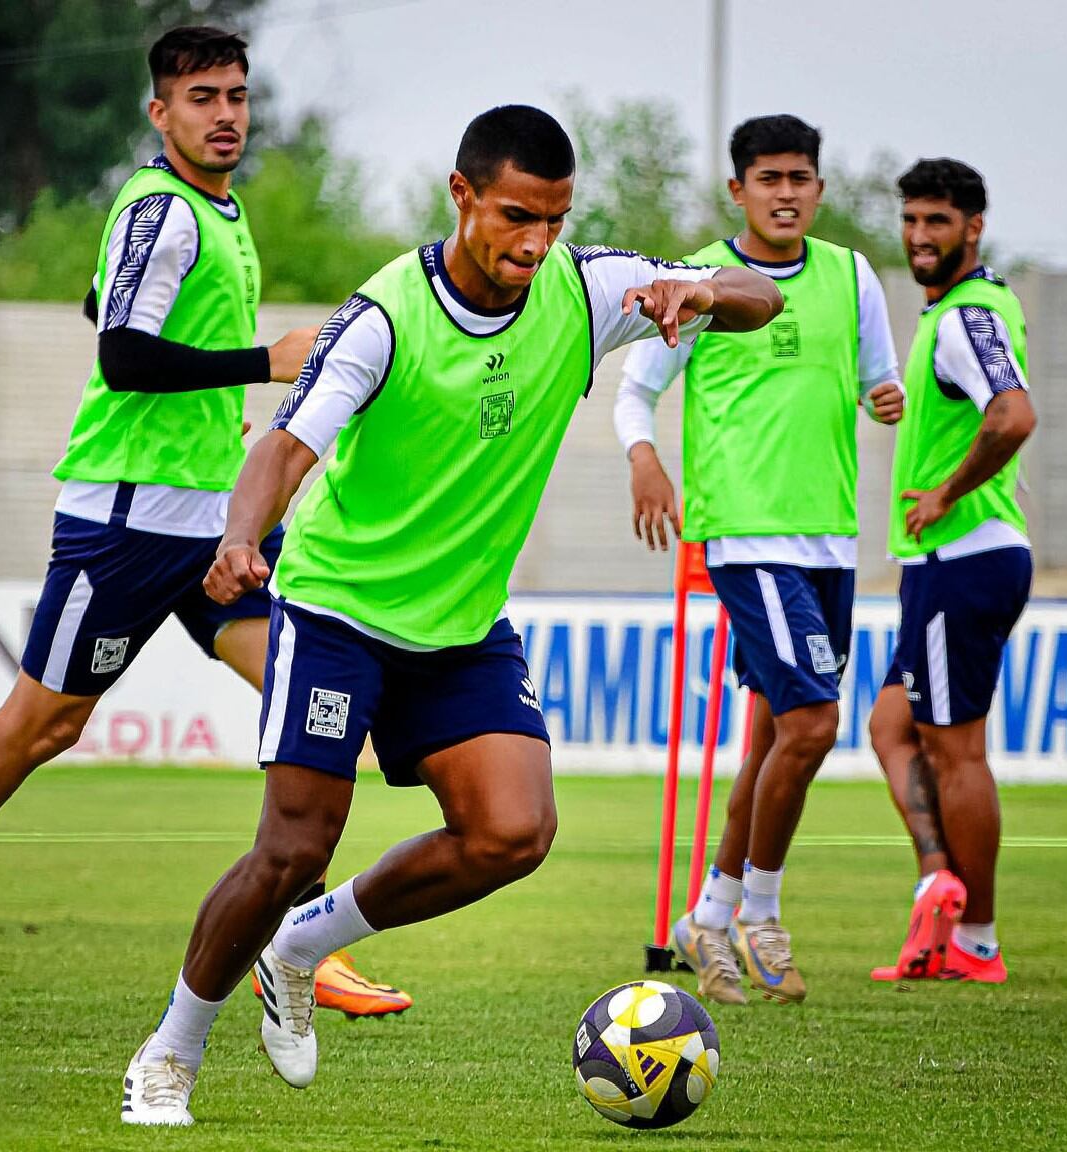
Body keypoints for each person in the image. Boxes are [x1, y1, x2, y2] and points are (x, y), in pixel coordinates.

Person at [117, 104, 784, 1128]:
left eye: (554, 220)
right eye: (516, 215)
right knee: (291, 846)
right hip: (338, 611)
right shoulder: (384, 317)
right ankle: (169, 1052)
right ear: (461, 196)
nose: (533, 243)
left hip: (462, 625)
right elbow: (284, 448)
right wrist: (241, 538)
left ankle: (297, 948)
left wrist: (696, 287)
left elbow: (756, 299)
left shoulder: (587, 285)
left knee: (512, 832)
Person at [0, 25, 409, 1033]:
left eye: (235, 95)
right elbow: (121, 356)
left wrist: (210, 405)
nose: (225, 113)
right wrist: (258, 362)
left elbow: (105, 297)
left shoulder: (215, 215)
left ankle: (295, 943)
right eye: (202, 98)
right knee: (43, 724)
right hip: (126, 520)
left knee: (319, 706)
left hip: (213, 524)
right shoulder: (164, 207)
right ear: (160, 113)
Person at [616, 114, 904, 1006]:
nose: (786, 192)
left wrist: (885, 399)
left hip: (828, 535)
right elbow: (636, 391)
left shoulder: (852, 276)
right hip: (745, 532)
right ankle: (760, 913)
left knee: (778, 735)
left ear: (819, 188)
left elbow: (874, 380)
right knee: (814, 724)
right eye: (768, 178)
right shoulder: (700, 283)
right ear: (736, 190)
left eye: (801, 177)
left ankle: (707, 911)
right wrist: (644, 459)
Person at [867, 158, 1037, 985]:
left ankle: (974, 939)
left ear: (973, 227)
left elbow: (1012, 416)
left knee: (955, 751)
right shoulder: (961, 312)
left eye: (937, 222)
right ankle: (940, 882)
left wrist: (943, 493)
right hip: (953, 564)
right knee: (892, 728)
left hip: (962, 557)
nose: (919, 237)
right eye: (910, 221)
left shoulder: (968, 315)